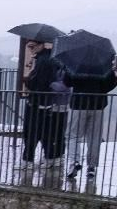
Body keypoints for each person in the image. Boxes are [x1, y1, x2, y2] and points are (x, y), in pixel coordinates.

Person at [20, 41, 67, 188]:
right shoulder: (52, 60)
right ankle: (50, 159)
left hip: (36, 102)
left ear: (40, 45)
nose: (31, 49)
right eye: (29, 47)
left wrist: (27, 79)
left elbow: (36, 82)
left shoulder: (41, 61)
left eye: (32, 46)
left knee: (31, 133)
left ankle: (28, 161)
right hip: (47, 103)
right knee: (47, 133)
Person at [67, 59, 117, 194]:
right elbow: (108, 85)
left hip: (78, 104)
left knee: (73, 136)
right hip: (97, 105)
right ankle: (91, 168)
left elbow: (67, 81)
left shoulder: (76, 62)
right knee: (94, 138)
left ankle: (75, 162)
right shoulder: (103, 63)